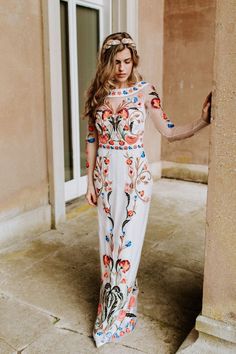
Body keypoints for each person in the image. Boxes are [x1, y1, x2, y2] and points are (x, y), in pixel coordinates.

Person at [83, 32, 211, 348]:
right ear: (106, 63)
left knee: (127, 245)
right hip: (104, 177)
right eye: (116, 61)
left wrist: (201, 122)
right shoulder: (98, 94)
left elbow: (168, 131)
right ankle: (112, 304)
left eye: (127, 61)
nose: (122, 67)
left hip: (134, 178)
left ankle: (116, 315)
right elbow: (92, 140)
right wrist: (89, 181)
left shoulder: (145, 91)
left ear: (133, 61)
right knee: (108, 245)